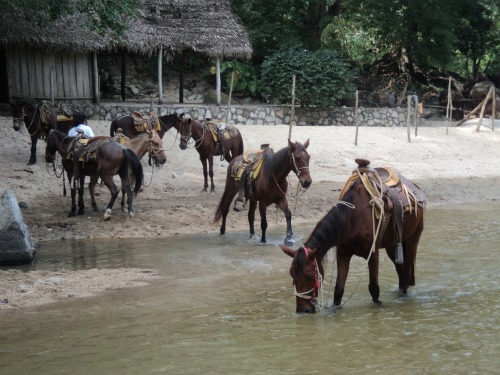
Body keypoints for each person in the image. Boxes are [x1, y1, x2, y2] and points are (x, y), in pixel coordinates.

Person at [68, 113, 94, 186]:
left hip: (73, 154)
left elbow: (68, 141)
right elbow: (92, 140)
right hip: (85, 153)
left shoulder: (71, 130)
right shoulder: (87, 128)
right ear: (84, 120)